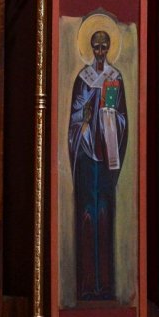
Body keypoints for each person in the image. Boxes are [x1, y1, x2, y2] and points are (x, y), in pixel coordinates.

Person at [67, 28, 128, 301]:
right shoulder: (83, 78)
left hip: (106, 155)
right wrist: (85, 114)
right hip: (86, 156)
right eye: (97, 48)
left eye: (105, 48)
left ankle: (105, 286)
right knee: (86, 217)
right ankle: (87, 285)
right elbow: (75, 115)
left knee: (104, 215)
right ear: (92, 49)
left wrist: (111, 117)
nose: (101, 54)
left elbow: (122, 117)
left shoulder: (115, 78)